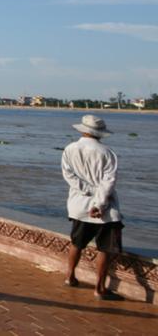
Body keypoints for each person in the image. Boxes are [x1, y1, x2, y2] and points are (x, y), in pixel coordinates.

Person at [61, 114, 123, 299]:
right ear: (99, 133)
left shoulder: (70, 149)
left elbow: (69, 176)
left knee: (76, 243)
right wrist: (98, 203)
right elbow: (108, 182)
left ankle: (70, 276)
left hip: (79, 204)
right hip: (105, 210)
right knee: (105, 248)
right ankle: (99, 288)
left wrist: (86, 191)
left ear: (83, 130)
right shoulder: (107, 153)